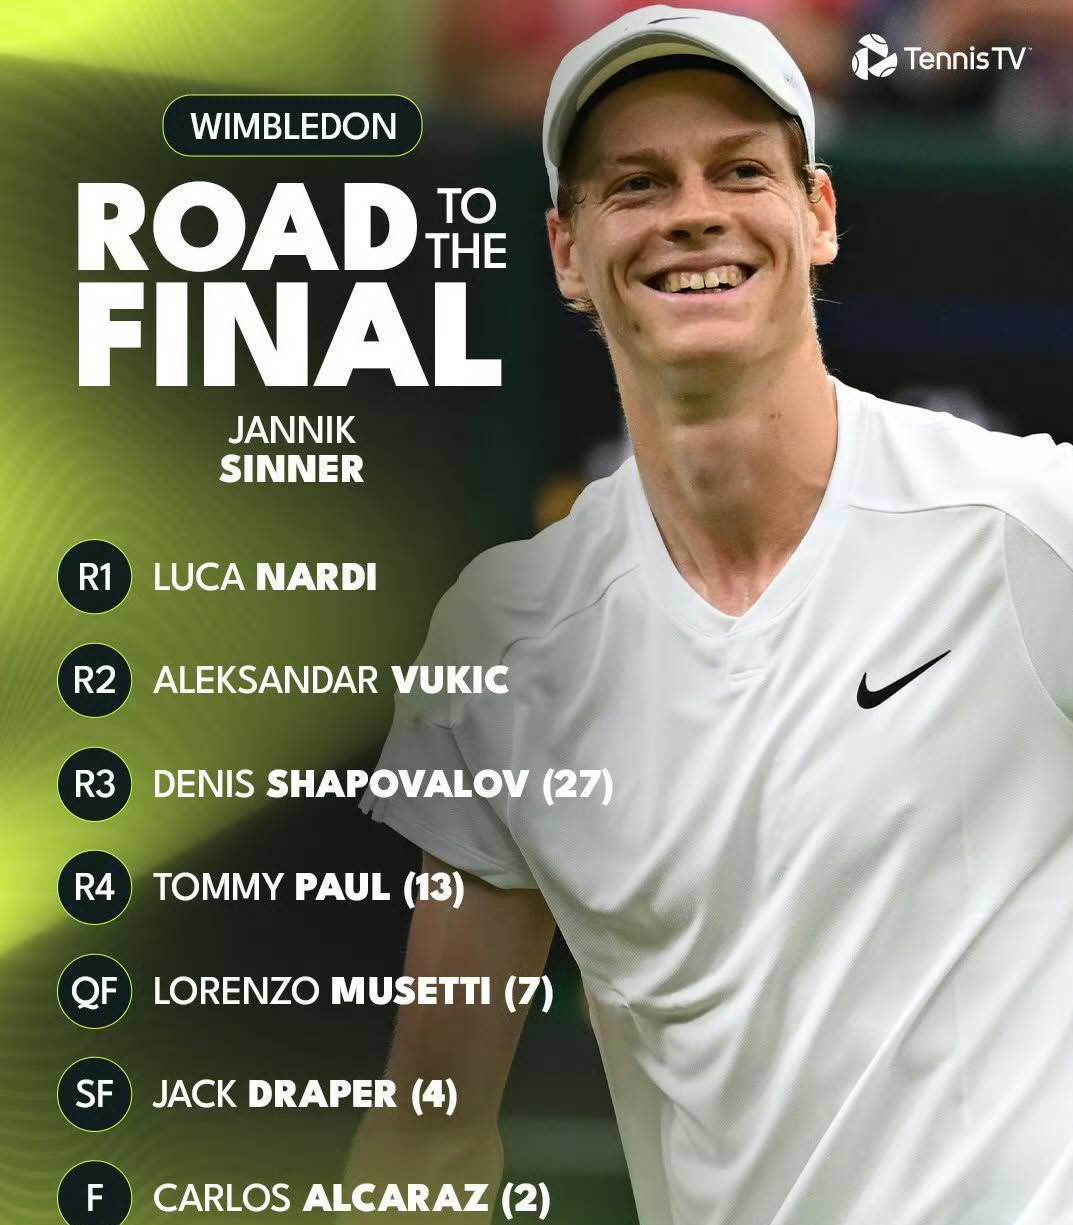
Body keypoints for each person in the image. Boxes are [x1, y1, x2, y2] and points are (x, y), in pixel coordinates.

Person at [350, 7, 1073, 1223]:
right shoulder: (506, 640)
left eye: (739, 171)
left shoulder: (1027, 525)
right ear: (565, 252)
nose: (692, 212)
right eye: (636, 183)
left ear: (817, 214)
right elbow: (429, 1131)